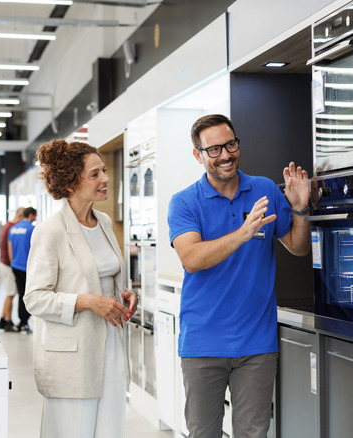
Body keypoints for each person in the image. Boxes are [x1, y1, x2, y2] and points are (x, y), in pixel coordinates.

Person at [167, 114, 311, 438]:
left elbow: (298, 248)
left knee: (254, 434)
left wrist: (301, 210)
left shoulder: (263, 189)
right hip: (203, 343)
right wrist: (242, 234)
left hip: (257, 344)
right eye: (214, 149)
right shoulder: (184, 202)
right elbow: (191, 259)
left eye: (230, 144)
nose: (226, 155)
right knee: (204, 434)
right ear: (198, 155)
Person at [23, 139, 138, 438]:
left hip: (110, 343)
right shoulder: (50, 231)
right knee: (73, 430)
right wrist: (87, 301)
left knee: (109, 428)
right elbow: (34, 299)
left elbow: (105, 274)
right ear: (72, 183)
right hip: (72, 351)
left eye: (104, 171)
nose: (105, 179)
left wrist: (125, 293)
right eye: (95, 174)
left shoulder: (103, 222)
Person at [8, 206, 36, 333]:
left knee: (21, 294)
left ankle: (22, 321)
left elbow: (10, 248)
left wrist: (12, 263)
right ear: (30, 215)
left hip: (15, 265)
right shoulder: (32, 229)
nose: (35, 218)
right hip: (27, 267)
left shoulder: (13, 229)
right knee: (28, 294)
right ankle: (24, 321)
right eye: (34, 216)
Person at [0, 207, 25, 331]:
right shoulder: (10, 228)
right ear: (19, 216)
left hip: (5, 263)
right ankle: (8, 320)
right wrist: (13, 265)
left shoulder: (7, 226)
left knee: (10, 292)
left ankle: (2, 319)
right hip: (8, 265)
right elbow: (8, 249)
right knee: (11, 293)